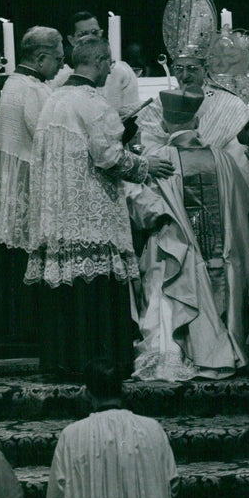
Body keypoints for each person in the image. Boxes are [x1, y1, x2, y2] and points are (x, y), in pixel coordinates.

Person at [24, 36, 173, 378]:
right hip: (90, 210)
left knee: (68, 288)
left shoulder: (55, 98)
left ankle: (63, 361)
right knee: (95, 286)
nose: (111, 70)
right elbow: (108, 156)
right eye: (109, 63)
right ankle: (103, 361)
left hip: (59, 212)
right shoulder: (93, 102)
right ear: (102, 61)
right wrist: (145, 165)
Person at [130, 85, 249, 381]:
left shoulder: (157, 159)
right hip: (221, 256)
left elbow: (145, 211)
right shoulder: (223, 159)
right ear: (197, 122)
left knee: (166, 278)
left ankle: (176, 355)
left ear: (163, 124)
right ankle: (225, 350)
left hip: (176, 255)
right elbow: (244, 204)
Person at [0, 26, 64, 338]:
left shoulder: (15, 83)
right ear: (40, 57)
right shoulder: (31, 89)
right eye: (57, 59)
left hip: (15, 178)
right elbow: (46, 136)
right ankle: (31, 328)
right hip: (29, 182)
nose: (60, 65)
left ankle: (17, 324)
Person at [137, 0, 249, 181]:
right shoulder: (159, 105)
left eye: (192, 68)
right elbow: (149, 152)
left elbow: (238, 161)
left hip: (218, 183)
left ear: (205, 69)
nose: (185, 75)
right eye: (179, 69)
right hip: (172, 184)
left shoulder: (230, 105)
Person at [46, 357, 179, 498]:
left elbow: (57, 497)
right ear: (123, 390)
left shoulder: (71, 436)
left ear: (87, 394)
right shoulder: (153, 429)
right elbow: (171, 484)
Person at [52, 10, 142, 114]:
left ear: (101, 34)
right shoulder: (61, 77)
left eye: (95, 32)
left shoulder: (121, 71)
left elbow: (133, 113)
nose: (91, 38)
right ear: (71, 40)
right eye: (83, 34)